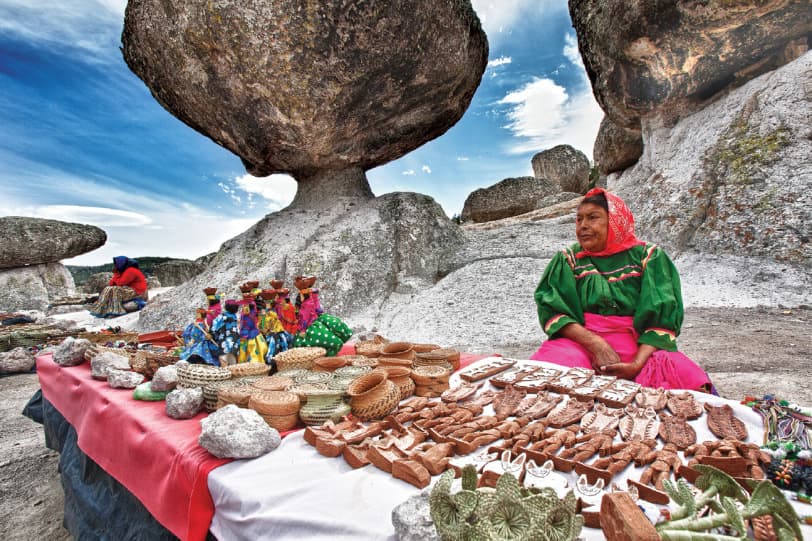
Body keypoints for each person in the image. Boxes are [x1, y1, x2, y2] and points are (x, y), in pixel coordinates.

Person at [530, 188, 714, 392]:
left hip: (638, 345)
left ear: (615, 220)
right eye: (579, 219)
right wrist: (596, 345)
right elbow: (555, 311)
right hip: (580, 342)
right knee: (550, 372)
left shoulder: (648, 257)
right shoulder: (568, 259)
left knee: (678, 375)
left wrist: (636, 365)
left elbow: (661, 319)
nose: (583, 226)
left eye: (593, 217)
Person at [210, 300, 241, 366]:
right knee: (232, 358)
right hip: (235, 339)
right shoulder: (236, 316)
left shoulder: (223, 316)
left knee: (223, 357)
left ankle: (224, 369)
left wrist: (212, 334)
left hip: (224, 338)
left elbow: (214, 326)